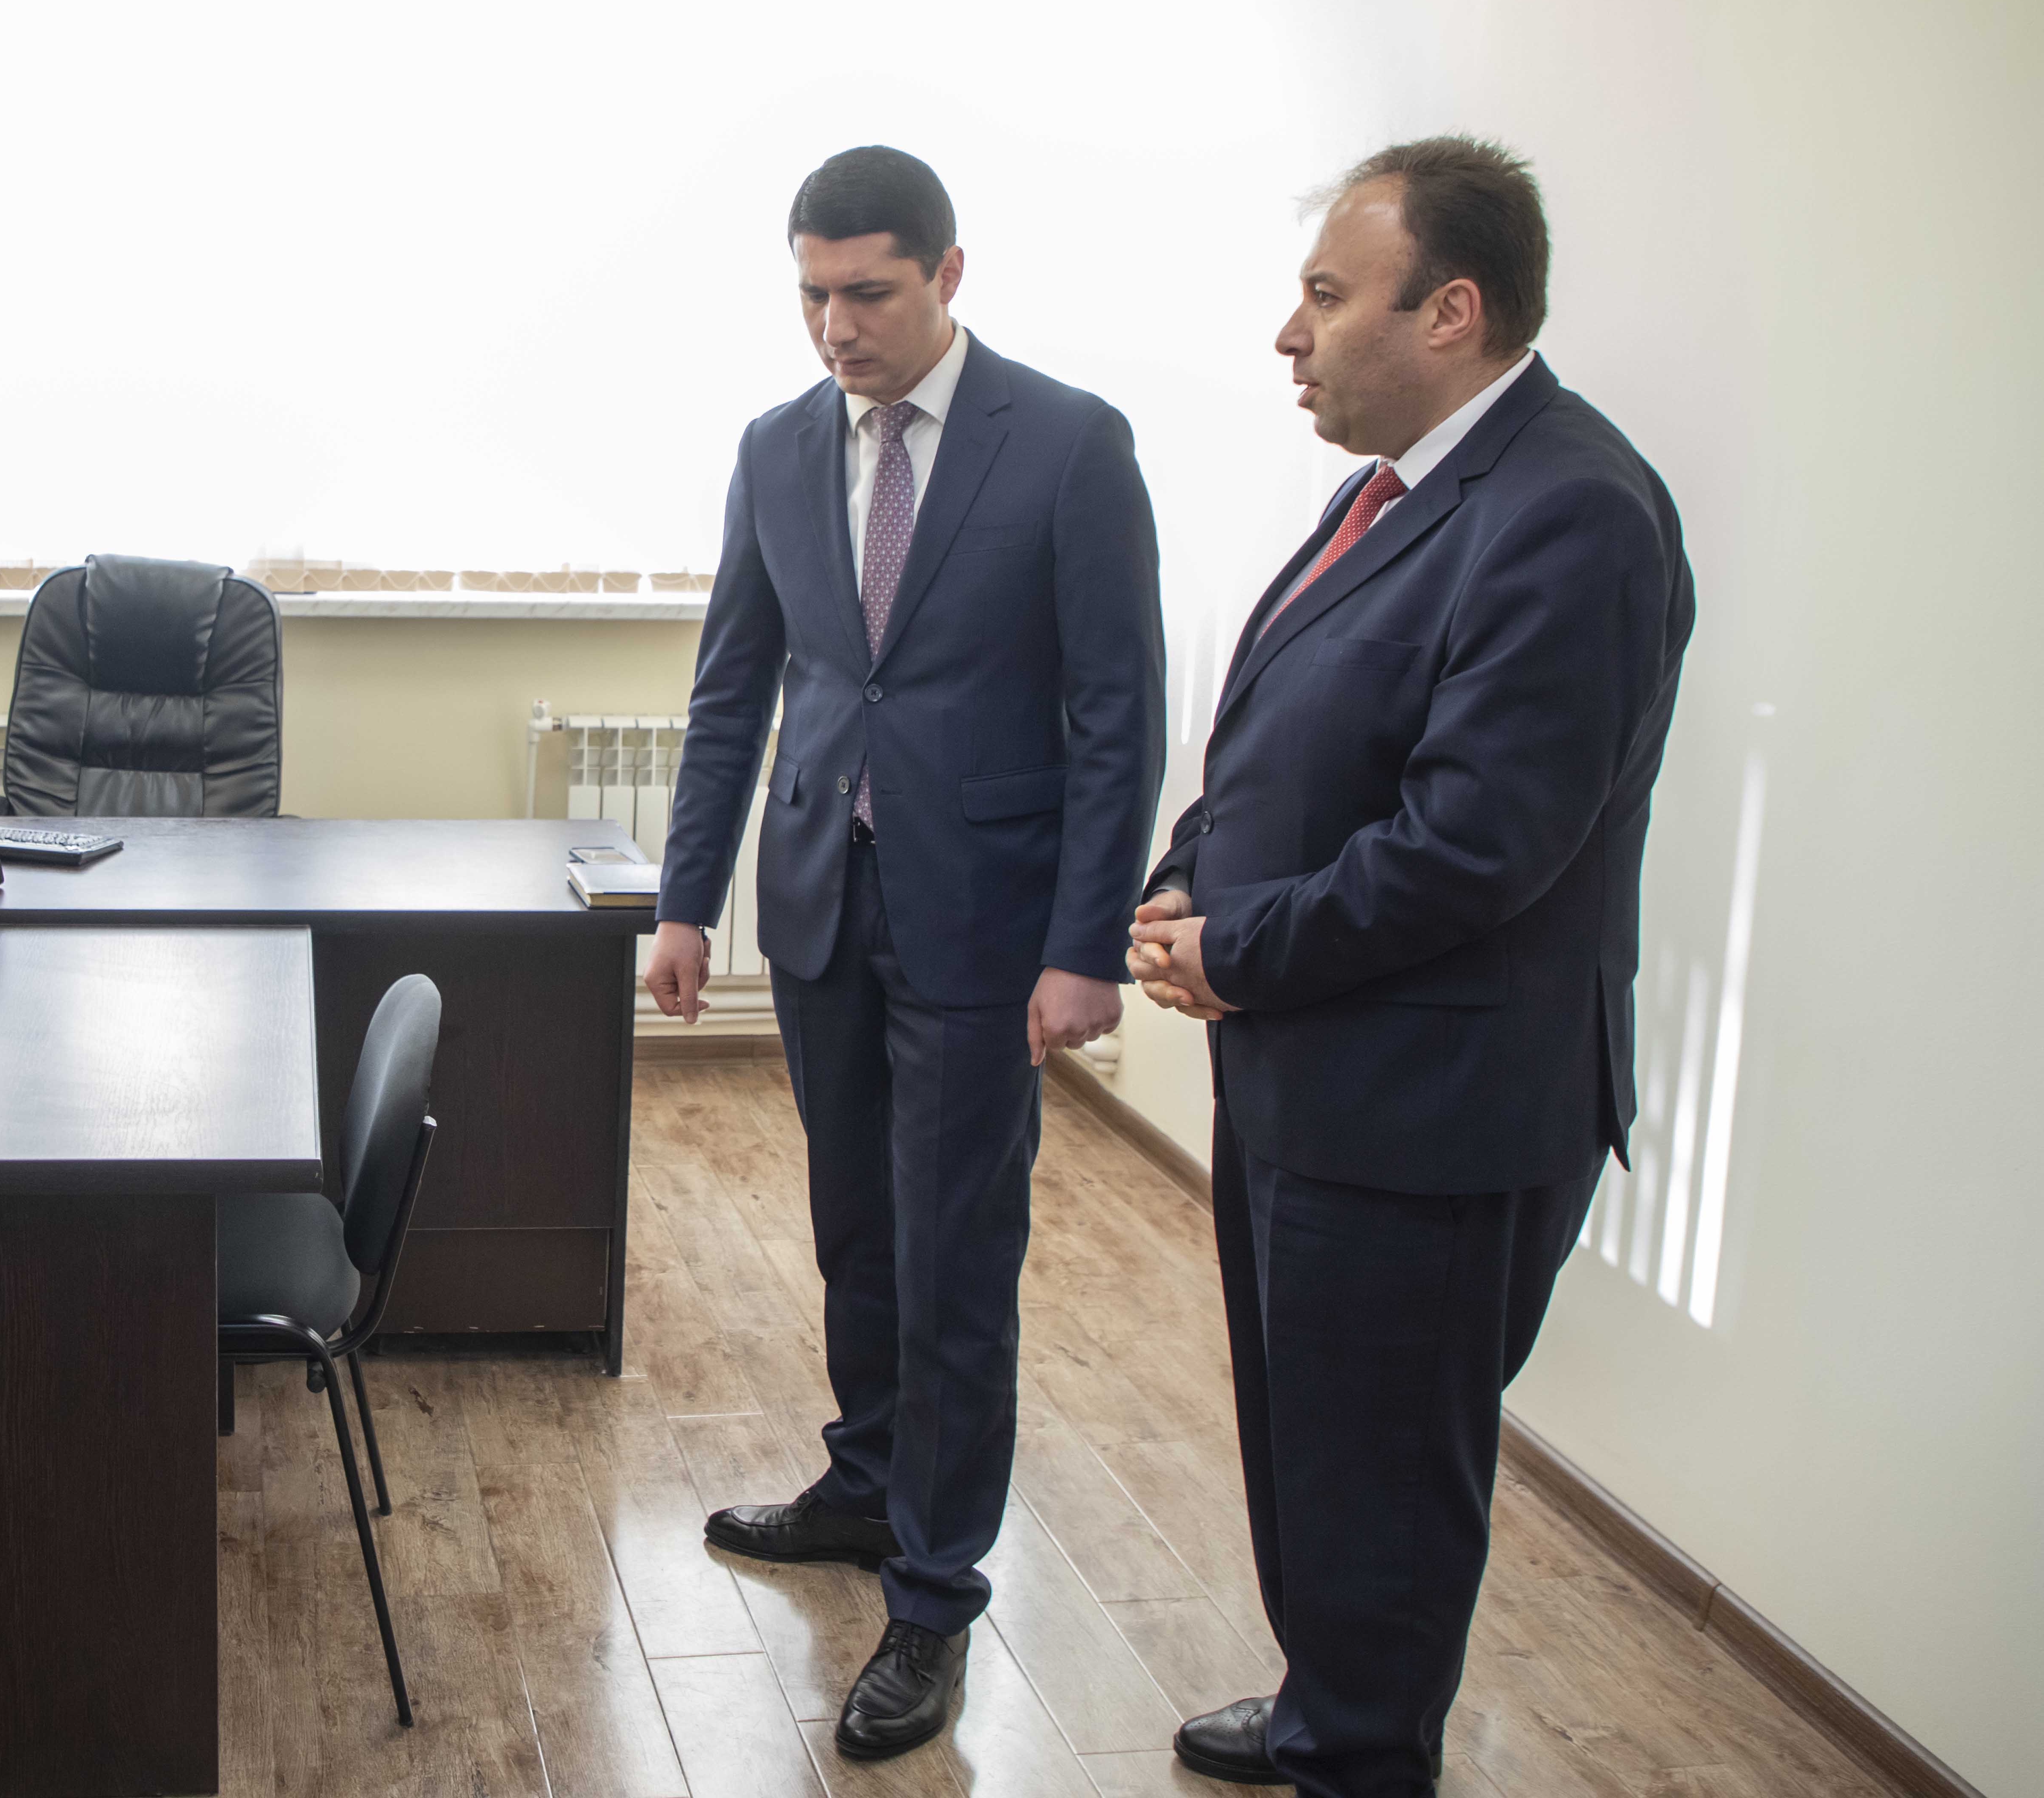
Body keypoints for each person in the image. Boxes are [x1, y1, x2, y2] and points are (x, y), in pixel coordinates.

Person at [1129, 137, 1695, 1796]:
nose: (1289, 333)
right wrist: (1188, 874)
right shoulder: (1402, 486)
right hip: (1319, 1076)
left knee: (1379, 1487)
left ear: (1451, 310)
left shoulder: (1572, 513)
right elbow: (1289, 737)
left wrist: (1237, 950)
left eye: (1326, 294)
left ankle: (1361, 1753)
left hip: (1433, 1116)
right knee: (1318, 1456)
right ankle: (1334, 1710)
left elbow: (1472, 848)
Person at [645, 145, 1166, 1759]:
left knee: (955, 1261)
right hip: (820, 902)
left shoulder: (1068, 444)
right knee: (858, 1232)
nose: (836, 327)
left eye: (867, 292)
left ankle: (935, 1593)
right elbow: (735, 687)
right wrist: (684, 902)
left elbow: (1117, 713)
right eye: (811, 294)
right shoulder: (777, 446)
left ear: (948, 274)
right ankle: (868, 1484)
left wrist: (1086, 943)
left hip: (986, 921)